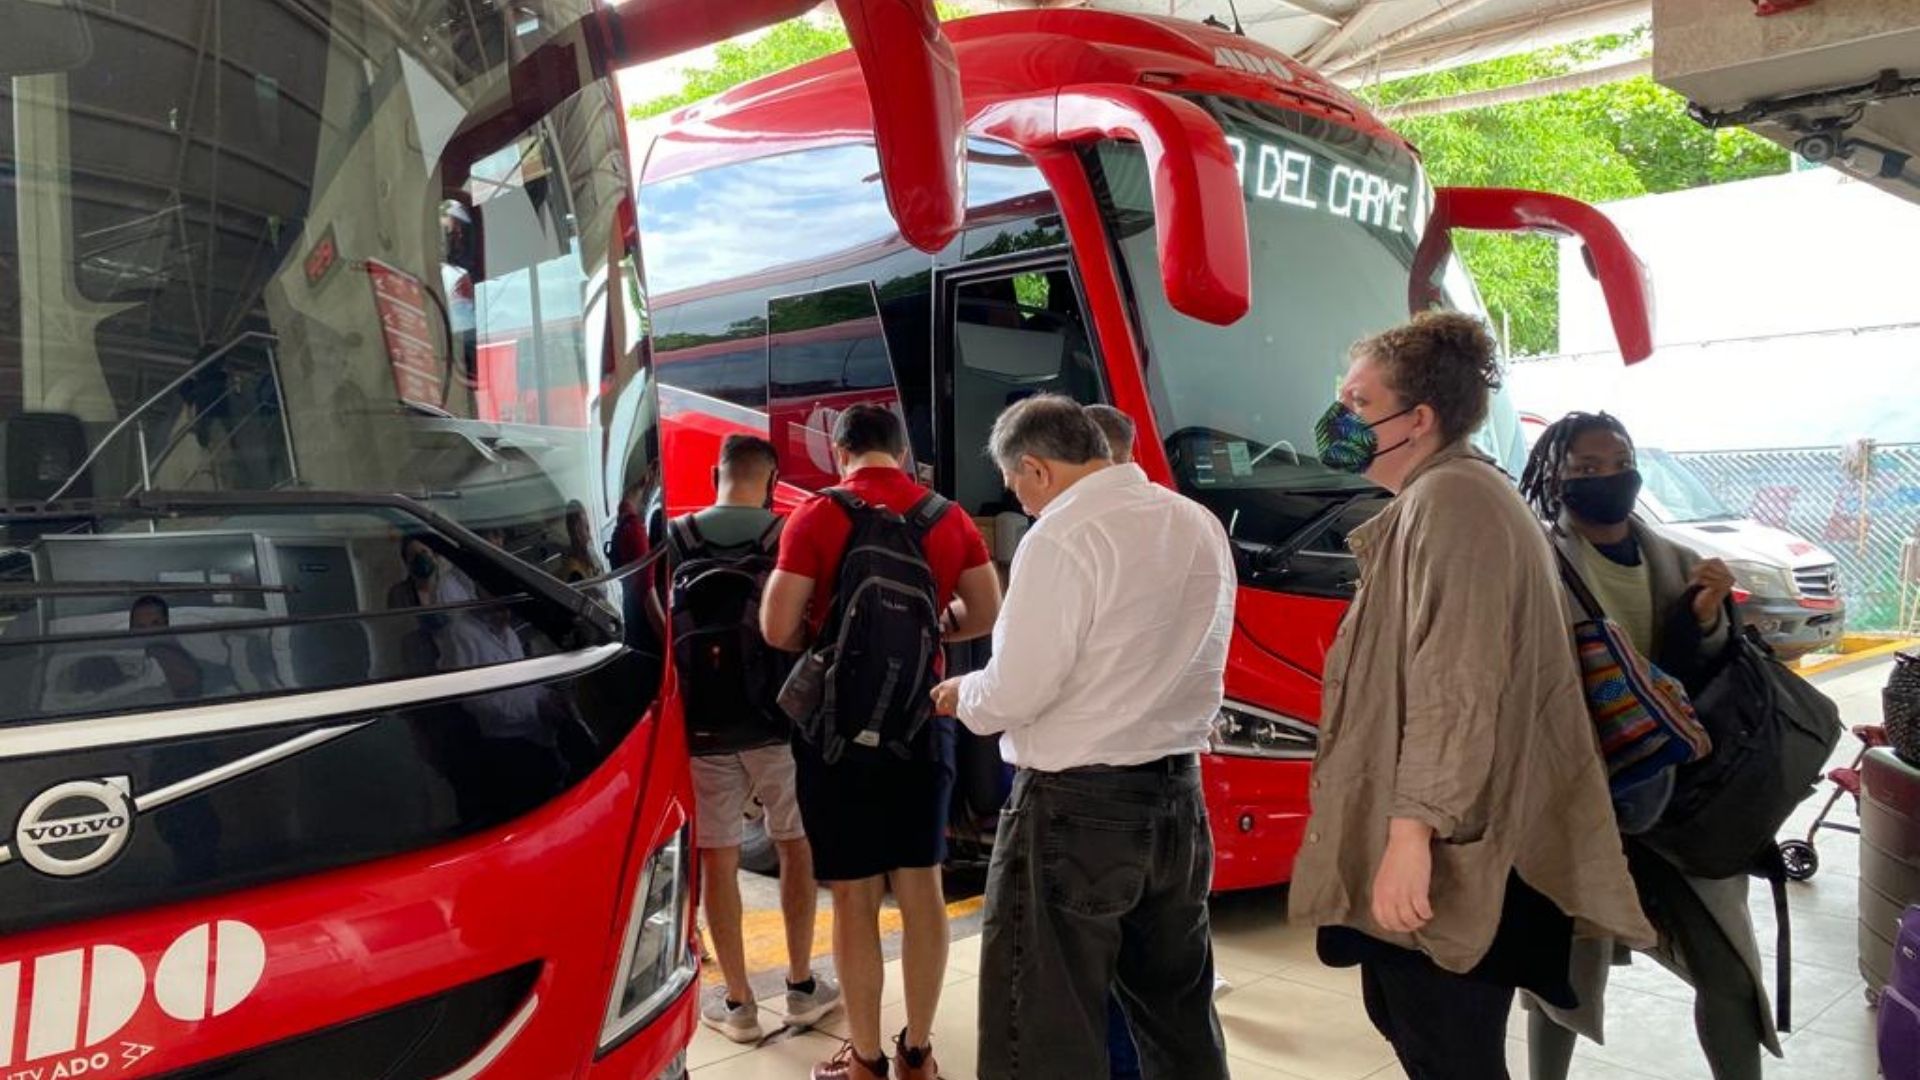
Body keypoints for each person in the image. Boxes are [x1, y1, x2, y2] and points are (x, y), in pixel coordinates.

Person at [1287, 313, 1653, 1080]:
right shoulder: (1440, 497)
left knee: (1450, 1051)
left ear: (1416, 419)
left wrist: (1411, 840)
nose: (1338, 420)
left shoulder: (1455, 503)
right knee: (1417, 1031)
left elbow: (1458, 690)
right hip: (1446, 840)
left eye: (1356, 403)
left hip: (1457, 853)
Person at [929, 395, 1235, 1080]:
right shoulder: (1195, 522)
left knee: (1041, 1023)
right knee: (1177, 1013)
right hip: (1179, 800)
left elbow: (1018, 687)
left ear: (1035, 470)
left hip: (1075, 809)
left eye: (1016, 487)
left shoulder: (1062, 537)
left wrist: (962, 695)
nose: (1023, 503)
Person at [1517, 412, 1776, 1080]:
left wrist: (1709, 620)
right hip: (1581, 801)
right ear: (1556, 477)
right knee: (1559, 981)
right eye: (1586, 468)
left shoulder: (1682, 562)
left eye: (1620, 460)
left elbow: (1708, 679)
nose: (1610, 477)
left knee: (1727, 974)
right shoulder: (1535, 561)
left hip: (1682, 800)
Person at [761, 405, 1002, 1080]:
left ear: (841, 454)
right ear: (902, 452)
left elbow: (777, 627)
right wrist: (929, 633)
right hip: (923, 724)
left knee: (855, 894)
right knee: (921, 885)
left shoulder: (816, 515)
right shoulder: (946, 517)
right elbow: (986, 612)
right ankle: (917, 1054)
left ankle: (864, 1060)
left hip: (837, 735)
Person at [674, 435, 841, 1043]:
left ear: (716, 472)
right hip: (778, 723)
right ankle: (800, 987)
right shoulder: (786, 536)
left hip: (702, 728)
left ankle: (738, 1003)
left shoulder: (677, 537)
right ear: (770, 482)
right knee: (795, 844)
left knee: (719, 857)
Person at [1081, 403, 1230, 1080]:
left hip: (1098, 790)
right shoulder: (1196, 522)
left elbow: (1036, 678)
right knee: (1180, 987)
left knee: (1098, 974)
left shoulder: (1078, 532)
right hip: (1180, 786)